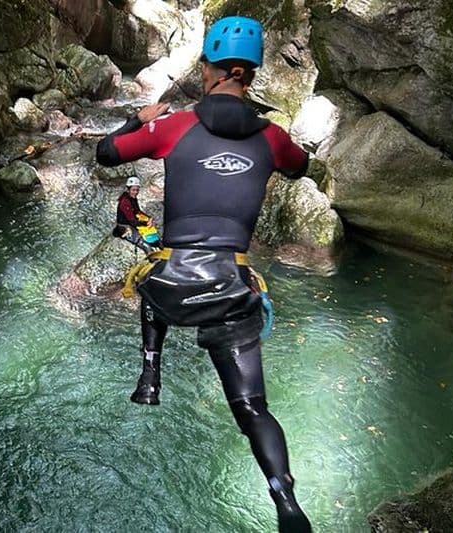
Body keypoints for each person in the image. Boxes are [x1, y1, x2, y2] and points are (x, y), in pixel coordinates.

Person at [96, 16, 312, 533]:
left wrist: (137, 120)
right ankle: (285, 501)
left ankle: (150, 374)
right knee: (253, 409)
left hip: (174, 286)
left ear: (209, 70)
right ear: (250, 76)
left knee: (151, 271)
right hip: (231, 287)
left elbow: (106, 154)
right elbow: (299, 165)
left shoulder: (174, 127)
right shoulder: (272, 137)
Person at [113, 177, 160, 254]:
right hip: (125, 226)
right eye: (133, 190)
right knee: (144, 244)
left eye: (137, 190)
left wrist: (149, 218)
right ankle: (151, 255)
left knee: (154, 237)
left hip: (132, 223)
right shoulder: (125, 202)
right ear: (128, 190)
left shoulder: (133, 198)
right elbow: (132, 221)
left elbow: (138, 211)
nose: (136, 192)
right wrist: (146, 223)